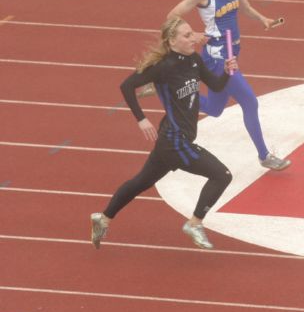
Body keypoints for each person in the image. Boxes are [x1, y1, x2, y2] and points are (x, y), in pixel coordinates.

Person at [90, 16, 237, 250]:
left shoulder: (194, 61)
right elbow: (127, 86)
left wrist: (228, 72)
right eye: (187, 35)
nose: (193, 38)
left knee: (140, 182)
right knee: (222, 175)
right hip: (174, 141)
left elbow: (216, 86)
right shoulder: (163, 67)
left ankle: (103, 218)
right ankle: (195, 223)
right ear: (172, 40)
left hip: (174, 139)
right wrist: (141, 120)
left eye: (192, 34)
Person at [166, 0, 290, 171]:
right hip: (218, 58)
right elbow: (172, 16)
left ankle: (172, 91)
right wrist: (194, 36)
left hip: (233, 50)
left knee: (214, 109)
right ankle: (264, 156)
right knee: (250, 102)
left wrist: (263, 19)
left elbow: (246, 8)